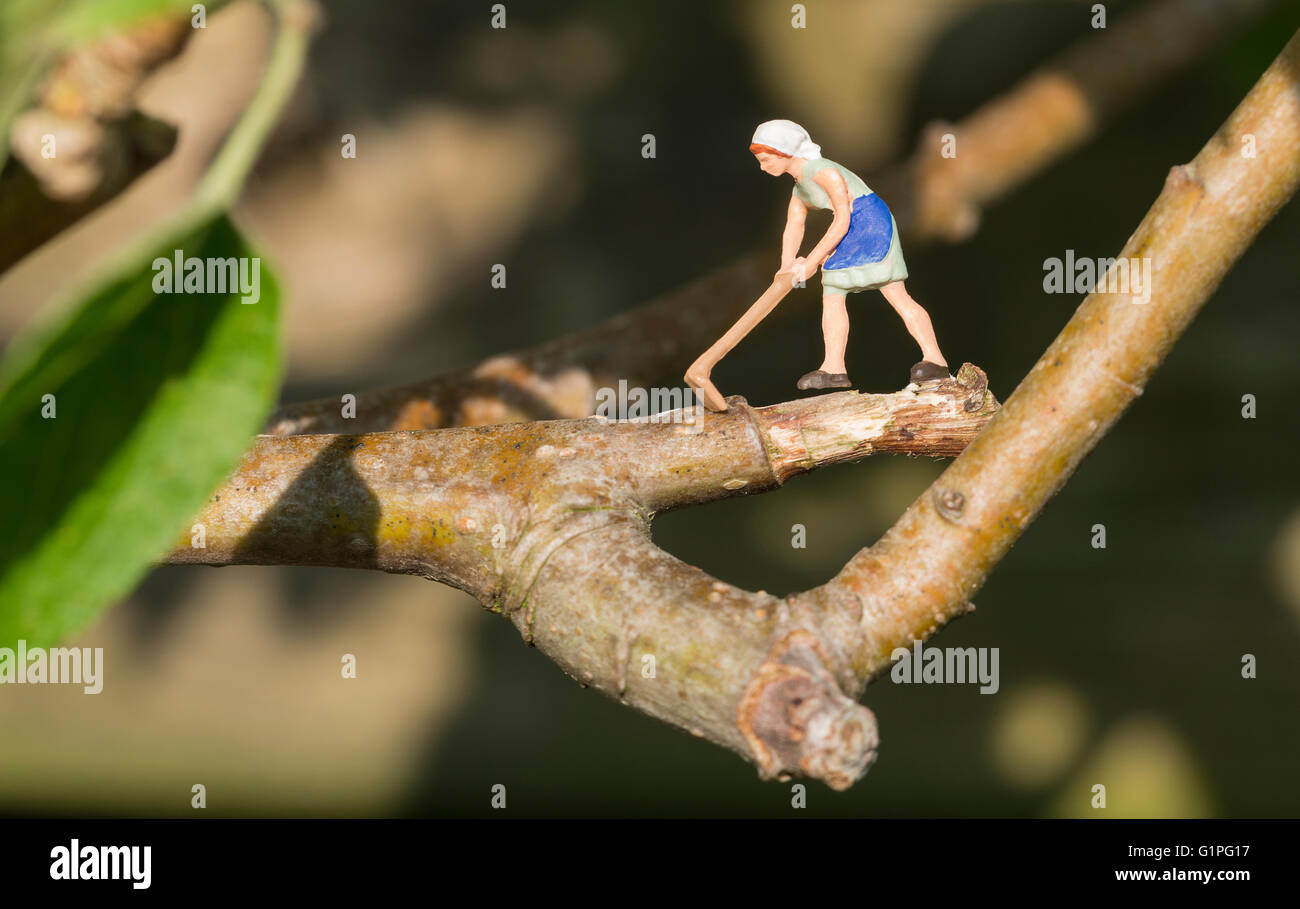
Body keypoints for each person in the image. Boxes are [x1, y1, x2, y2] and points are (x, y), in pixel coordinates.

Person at [750, 119, 950, 389]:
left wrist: (810, 262)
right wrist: (786, 266)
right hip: (849, 225)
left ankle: (935, 360)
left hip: (870, 223)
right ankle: (834, 368)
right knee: (832, 294)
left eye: (766, 159)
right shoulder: (799, 188)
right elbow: (794, 225)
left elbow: (843, 219)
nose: (763, 167)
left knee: (895, 292)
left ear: (784, 151)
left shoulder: (824, 172)